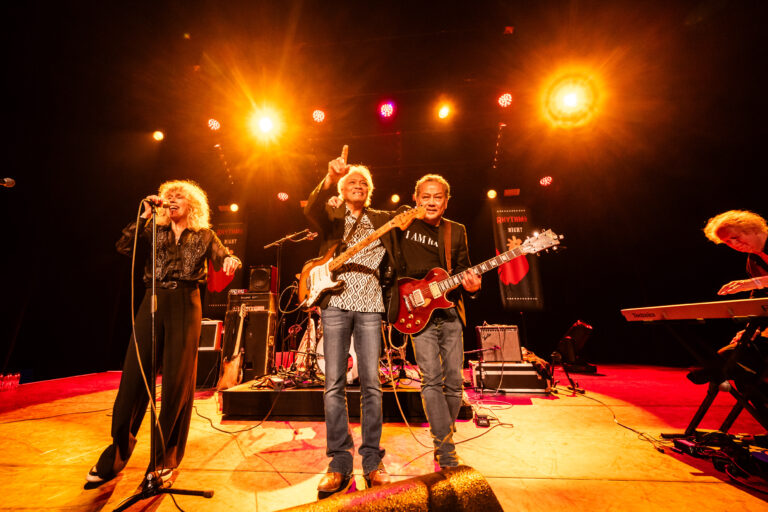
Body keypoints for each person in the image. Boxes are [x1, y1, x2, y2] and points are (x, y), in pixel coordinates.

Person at [87, 180, 240, 486]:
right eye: (168, 197)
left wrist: (230, 261)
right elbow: (123, 247)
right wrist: (144, 215)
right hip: (152, 300)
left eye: (178, 196)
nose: (172, 201)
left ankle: (164, 459)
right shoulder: (153, 231)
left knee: (176, 382)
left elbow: (222, 257)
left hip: (186, 302)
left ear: (191, 204)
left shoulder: (205, 235)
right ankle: (117, 451)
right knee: (134, 376)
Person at [304, 146, 394, 497]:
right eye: (351, 180)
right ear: (341, 188)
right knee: (333, 383)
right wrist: (329, 177)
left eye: (363, 182)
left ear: (369, 191)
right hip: (336, 301)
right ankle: (339, 461)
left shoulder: (384, 217)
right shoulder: (332, 213)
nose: (357, 184)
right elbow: (310, 208)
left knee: (371, 383)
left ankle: (372, 460)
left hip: (370, 300)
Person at [392, 174, 481, 470]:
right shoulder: (404, 224)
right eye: (426, 196)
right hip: (418, 315)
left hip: (450, 311)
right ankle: (445, 449)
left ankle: (444, 434)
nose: (431, 202)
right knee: (431, 379)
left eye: (437, 197)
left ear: (446, 201)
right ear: (416, 198)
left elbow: (464, 269)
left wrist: (472, 286)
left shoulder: (456, 231)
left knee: (455, 383)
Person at [691, 210, 768, 391]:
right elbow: (759, 302)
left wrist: (753, 283)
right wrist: (751, 329)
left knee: (734, 361)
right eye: (727, 242)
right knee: (735, 361)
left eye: (735, 237)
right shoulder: (753, 262)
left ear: (752, 228)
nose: (734, 244)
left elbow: (756, 287)